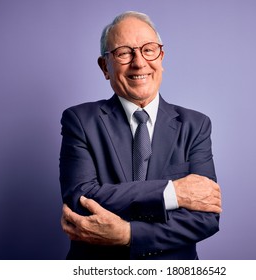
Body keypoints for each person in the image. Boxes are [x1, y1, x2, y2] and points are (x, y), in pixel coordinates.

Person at [59, 11, 222, 260]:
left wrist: (128, 234)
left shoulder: (195, 125)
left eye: (149, 49)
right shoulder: (80, 121)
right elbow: (82, 198)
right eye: (124, 52)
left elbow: (205, 218)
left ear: (161, 57)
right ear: (105, 67)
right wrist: (172, 193)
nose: (139, 62)